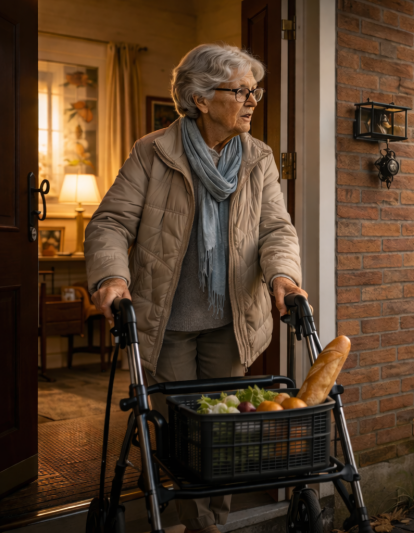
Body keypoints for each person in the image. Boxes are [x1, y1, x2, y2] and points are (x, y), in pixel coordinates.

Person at [85, 44, 305, 533]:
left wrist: (284, 277)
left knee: (222, 438)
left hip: (230, 322)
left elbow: (275, 230)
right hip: (166, 323)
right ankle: (182, 522)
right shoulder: (154, 151)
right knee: (175, 437)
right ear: (201, 99)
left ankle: (210, 526)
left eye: (255, 91)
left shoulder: (258, 157)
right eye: (241, 91)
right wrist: (112, 278)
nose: (252, 101)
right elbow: (112, 223)